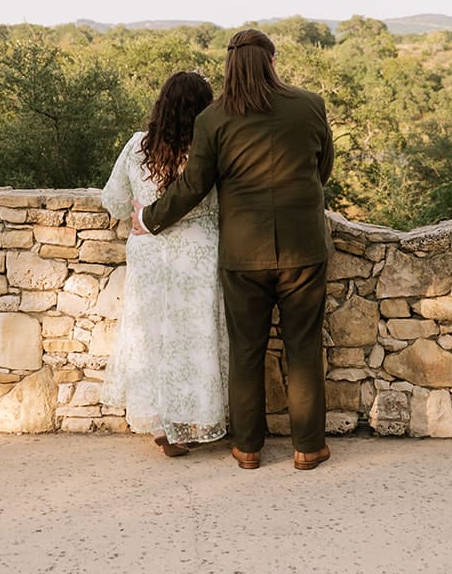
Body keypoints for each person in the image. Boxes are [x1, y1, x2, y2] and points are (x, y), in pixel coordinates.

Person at [135, 28, 335, 471]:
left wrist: (150, 218)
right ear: (272, 61)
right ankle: (308, 447)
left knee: (246, 349)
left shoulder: (214, 119)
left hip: (243, 254)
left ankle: (248, 448)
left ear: (229, 65)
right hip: (304, 248)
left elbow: (192, 186)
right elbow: (324, 169)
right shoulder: (309, 106)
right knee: (303, 346)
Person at [100, 71, 229, 457]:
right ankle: (190, 424)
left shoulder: (138, 146)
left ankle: (161, 427)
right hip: (199, 253)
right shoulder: (209, 149)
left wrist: (141, 211)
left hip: (150, 252)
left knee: (152, 338)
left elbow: (114, 201)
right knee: (195, 339)